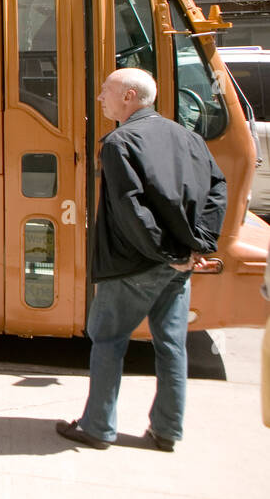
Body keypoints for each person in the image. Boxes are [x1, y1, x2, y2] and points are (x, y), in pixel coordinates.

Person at [57, 67, 226, 452]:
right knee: (171, 345)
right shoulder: (189, 138)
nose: (100, 97)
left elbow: (130, 211)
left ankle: (97, 427)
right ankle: (167, 430)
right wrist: (198, 245)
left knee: (109, 340)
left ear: (130, 96)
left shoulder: (118, 143)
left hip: (133, 264)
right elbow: (218, 188)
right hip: (177, 265)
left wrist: (168, 253)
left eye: (106, 90)